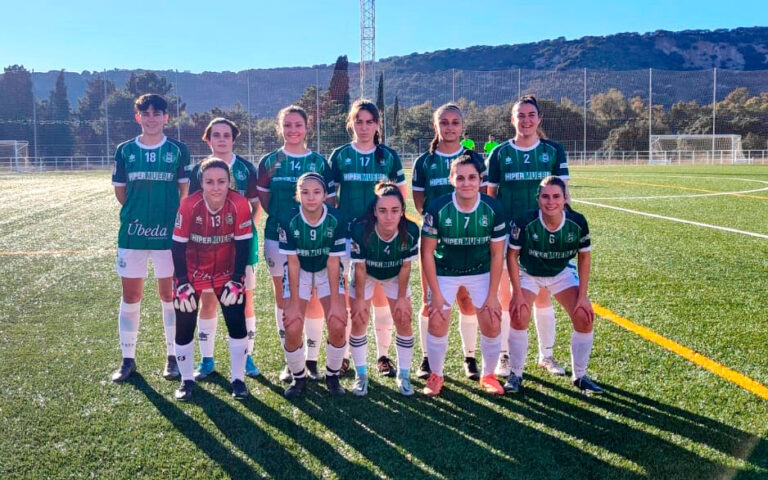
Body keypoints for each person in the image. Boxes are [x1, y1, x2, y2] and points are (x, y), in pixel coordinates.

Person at [486, 94, 570, 378]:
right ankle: (505, 357)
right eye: (520, 115)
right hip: (510, 234)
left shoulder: (553, 151)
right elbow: (491, 196)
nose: (526, 120)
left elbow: (563, 195)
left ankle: (546, 356)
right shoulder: (499, 153)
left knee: (543, 295)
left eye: (531, 115)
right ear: (513, 120)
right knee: (508, 296)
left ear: (539, 119)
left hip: (543, 235)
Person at [110, 93, 190, 383]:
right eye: (146, 113)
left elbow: (184, 192)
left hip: (169, 236)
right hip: (132, 233)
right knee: (131, 296)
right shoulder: (125, 150)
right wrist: (137, 215)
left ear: (166, 117)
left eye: (158, 113)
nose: (152, 118)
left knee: (169, 296)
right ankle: (128, 359)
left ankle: (173, 358)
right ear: (138, 117)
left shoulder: (179, 150)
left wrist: (170, 220)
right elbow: (121, 192)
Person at [257, 105, 335, 383]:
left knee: (312, 296)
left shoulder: (319, 162)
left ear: (307, 127)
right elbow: (266, 201)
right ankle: (293, 361)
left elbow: (329, 201)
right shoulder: (269, 161)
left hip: (315, 240)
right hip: (277, 238)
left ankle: (312, 360)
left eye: (298, 125)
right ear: (280, 128)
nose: (293, 130)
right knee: (285, 298)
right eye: (287, 125)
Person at [329, 99, 407, 377]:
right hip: (350, 238)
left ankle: (383, 357)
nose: (364, 127)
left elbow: (400, 197)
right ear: (351, 123)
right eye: (358, 121)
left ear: (377, 124)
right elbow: (329, 199)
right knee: (353, 298)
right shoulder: (339, 155)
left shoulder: (389, 156)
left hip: (382, 238)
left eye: (369, 121)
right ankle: (349, 355)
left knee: (381, 299)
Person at [420, 153, 507, 397]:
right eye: (460, 178)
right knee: (437, 317)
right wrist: (435, 294)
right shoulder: (438, 207)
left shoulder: (493, 208)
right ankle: (436, 375)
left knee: (492, 317)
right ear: (451, 179)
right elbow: (426, 252)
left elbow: (497, 255)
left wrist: (492, 295)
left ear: (480, 179)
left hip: (480, 270)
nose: (466, 183)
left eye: (472, 177)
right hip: (445, 270)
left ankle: (488, 374)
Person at [505, 176, 601, 395]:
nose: (551, 202)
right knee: (519, 314)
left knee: (584, 317)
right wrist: (517, 293)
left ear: (565, 198)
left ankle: (580, 375)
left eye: (556, 196)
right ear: (538, 199)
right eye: (545, 197)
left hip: (560, 273)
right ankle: (515, 373)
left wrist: (583, 296)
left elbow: (584, 258)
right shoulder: (525, 221)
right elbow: (512, 256)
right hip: (528, 273)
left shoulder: (577, 222)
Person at [411, 103, 486, 381]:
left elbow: (484, 194)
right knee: (429, 301)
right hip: (436, 241)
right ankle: (428, 359)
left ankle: (469, 357)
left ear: (462, 127)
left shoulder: (475, 160)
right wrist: (439, 227)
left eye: (455, 122)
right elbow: (420, 203)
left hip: (470, 239)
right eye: (444, 122)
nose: (450, 127)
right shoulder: (424, 162)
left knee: (467, 301)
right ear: (436, 126)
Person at [171, 158, 253, 401]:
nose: (216, 187)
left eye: (221, 181)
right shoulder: (188, 205)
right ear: (201, 183)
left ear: (230, 182)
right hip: (192, 272)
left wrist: (237, 278)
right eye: (209, 182)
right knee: (184, 324)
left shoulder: (239, 203)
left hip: (227, 272)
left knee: (237, 323)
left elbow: (244, 243)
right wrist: (182, 281)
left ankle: (238, 379)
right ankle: (186, 381)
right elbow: (177, 245)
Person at [187, 118, 261, 381]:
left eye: (226, 135)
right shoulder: (199, 170)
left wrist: (240, 230)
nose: (221, 139)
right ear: (208, 139)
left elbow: (255, 206)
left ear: (233, 138)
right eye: (216, 135)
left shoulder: (245, 168)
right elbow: (193, 205)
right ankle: (207, 359)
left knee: (244, 300)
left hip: (241, 246)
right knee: (207, 301)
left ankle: (246, 356)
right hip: (207, 247)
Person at [279, 173, 347, 399]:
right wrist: (294, 305)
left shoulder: (336, 218)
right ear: (298, 195)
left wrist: (338, 303)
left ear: (325, 195)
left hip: (327, 270)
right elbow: (293, 263)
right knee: (293, 325)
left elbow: (333, 260)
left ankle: (332, 376)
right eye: (305, 192)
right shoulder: (288, 219)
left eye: (316, 192)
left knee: (338, 322)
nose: (311, 197)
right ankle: (299, 378)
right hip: (300, 271)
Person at [349, 182, 420, 396]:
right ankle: (361, 374)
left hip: (395, 275)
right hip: (366, 274)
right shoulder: (361, 230)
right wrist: (360, 299)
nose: (389, 216)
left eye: (394, 210)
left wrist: (401, 298)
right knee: (359, 318)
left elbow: (406, 266)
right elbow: (360, 268)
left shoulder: (411, 230)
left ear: (402, 212)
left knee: (404, 318)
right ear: (374, 212)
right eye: (383, 211)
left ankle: (404, 375)